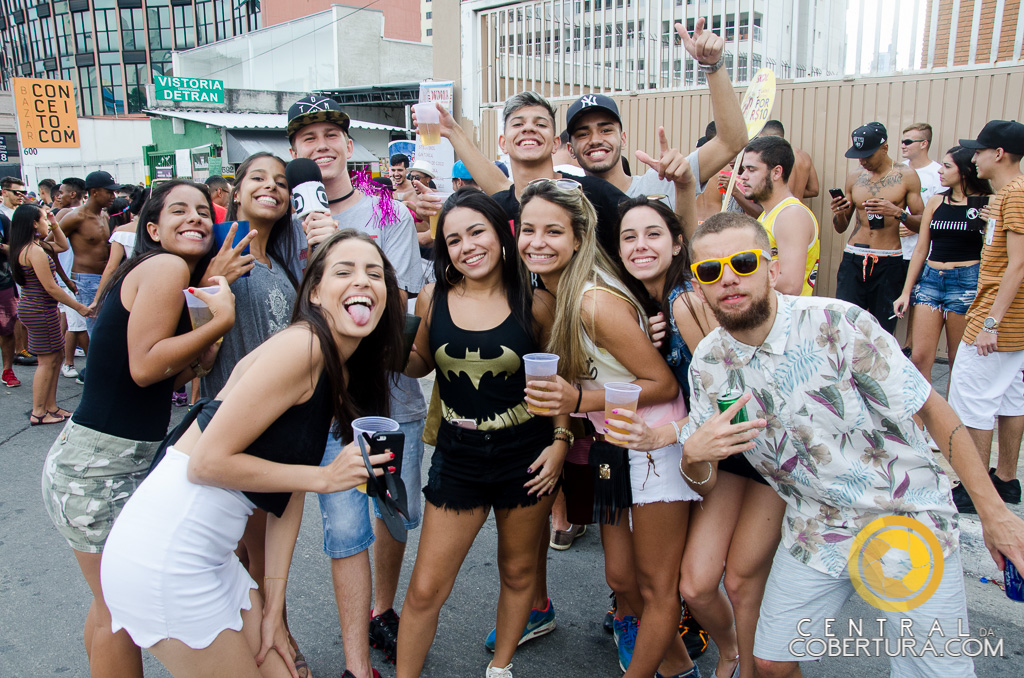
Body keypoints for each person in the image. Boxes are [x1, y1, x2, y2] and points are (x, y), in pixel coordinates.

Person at [678, 211, 1024, 678]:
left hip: (904, 513)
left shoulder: (836, 323)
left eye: (743, 262)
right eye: (710, 270)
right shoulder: (709, 362)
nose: (728, 279)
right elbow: (703, 477)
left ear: (773, 268)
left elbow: (933, 409)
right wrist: (694, 455)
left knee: (933, 672)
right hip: (816, 522)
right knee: (771, 661)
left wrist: (994, 514)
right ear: (698, 287)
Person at [100, 229, 403, 678]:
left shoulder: (332, 364)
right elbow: (207, 463)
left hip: (213, 560)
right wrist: (323, 478)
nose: (362, 281)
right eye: (345, 270)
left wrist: (273, 606)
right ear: (315, 292)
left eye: (374, 273)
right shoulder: (303, 347)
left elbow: (288, 492)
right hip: (168, 557)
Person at [41, 179, 233, 677]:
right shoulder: (165, 266)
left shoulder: (164, 274)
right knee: (120, 613)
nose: (194, 217)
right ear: (152, 228)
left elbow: (155, 375)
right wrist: (220, 322)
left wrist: (201, 350)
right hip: (97, 467)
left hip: (102, 460)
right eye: (178, 211)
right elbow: (146, 367)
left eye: (202, 212)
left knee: (108, 604)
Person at [518, 179, 699, 678]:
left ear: (578, 238)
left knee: (656, 586)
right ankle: (683, 671)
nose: (538, 241)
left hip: (651, 445)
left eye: (553, 231)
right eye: (528, 229)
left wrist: (578, 399)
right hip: (609, 447)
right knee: (621, 577)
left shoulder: (593, 302)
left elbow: (661, 384)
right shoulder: (552, 295)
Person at [397, 188, 566, 678]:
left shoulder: (536, 303)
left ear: (501, 233)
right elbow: (419, 363)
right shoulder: (435, 297)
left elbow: (563, 378)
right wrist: (385, 343)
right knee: (427, 587)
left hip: (526, 455)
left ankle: (500, 668)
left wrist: (560, 443)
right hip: (459, 454)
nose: (467, 246)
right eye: (453, 239)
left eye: (476, 232)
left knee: (518, 572)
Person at [612, 194, 782, 678]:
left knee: (740, 580)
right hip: (722, 452)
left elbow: (733, 398)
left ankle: (746, 663)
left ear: (677, 243)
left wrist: (662, 435)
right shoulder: (665, 302)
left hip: (754, 450)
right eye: (629, 237)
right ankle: (731, 652)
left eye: (653, 234)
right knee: (697, 584)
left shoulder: (686, 299)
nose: (640, 246)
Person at [288, 93, 426, 675]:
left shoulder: (388, 213)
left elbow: (396, 303)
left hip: (391, 392)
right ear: (294, 151)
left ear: (349, 145)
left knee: (394, 512)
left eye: (330, 136)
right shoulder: (279, 220)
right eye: (307, 138)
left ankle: (382, 608)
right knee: (345, 527)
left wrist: (339, 255)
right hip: (321, 400)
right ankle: (355, 663)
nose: (320, 146)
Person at [566, 17, 747, 226]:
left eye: (605, 130)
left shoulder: (662, 182)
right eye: (583, 133)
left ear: (623, 139)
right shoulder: (569, 206)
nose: (595, 139)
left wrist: (713, 65)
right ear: (570, 149)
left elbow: (732, 142)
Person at [947, 120, 1024, 514]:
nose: (972, 158)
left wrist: (990, 322)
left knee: (972, 401)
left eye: (978, 151)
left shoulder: (1016, 195)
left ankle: (975, 489)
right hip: (1011, 320)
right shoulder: (1005, 197)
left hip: (998, 318)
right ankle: (1006, 482)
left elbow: (1017, 266)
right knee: (1010, 400)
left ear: (999, 154)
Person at [893, 146, 990, 391]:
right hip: (931, 279)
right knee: (919, 358)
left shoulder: (987, 204)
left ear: (966, 171)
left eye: (948, 166)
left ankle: (951, 422)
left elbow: (993, 250)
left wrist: (991, 223)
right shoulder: (937, 201)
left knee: (959, 362)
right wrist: (906, 291)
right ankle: (918, 426)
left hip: (966, 282)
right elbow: (921, 248)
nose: (941, 171)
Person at [830, 122, 925, 334]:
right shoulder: (855, 177)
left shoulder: (906, 176)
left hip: (888, 260)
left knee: (883, 327)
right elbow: (840, 227)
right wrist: (839, 213)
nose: (862, 161)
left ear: (884, 148)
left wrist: (896, 212)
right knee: (844, 323)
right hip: (854, 257)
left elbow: (922, 223)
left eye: (868, 155)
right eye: (859, 155)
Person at [9, 204, 91, 423]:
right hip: (39, 310)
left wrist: (55, 223)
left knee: (55, 358)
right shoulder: (34, 251)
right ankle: (39, 412)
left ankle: (51, 406)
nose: (48, 223)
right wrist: (79, 307)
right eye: (44, 220)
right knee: (47, 362)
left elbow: (63, 245)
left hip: (40, 309)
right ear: (34, 224)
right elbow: (51, 287)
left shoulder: (35, 246)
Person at [736, 135, 819, 296]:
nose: (743, 176)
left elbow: (790, 285)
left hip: (787, 317)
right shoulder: (768, 215)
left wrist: (739, 273)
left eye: (751, 169)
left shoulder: (791, 215)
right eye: (743, 169)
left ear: (776, 172)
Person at [59, 170, 119, 336]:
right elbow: (49, 246)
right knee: (96, 330)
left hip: (107, 277)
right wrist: (64, 279)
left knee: (109, 327)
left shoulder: (104, 216)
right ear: (94, 192)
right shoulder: (76, 217)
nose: (113, 196)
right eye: (109, 192)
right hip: (86, 279)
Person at [759, 120, 819, 202]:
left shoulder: (773, 156)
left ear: (767, 136)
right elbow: (814, 190)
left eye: (760, 139)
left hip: (781, 210)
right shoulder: (804, 156)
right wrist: (798, 192)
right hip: (799, 210)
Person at [0, 208, 19, 387]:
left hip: (3, 281)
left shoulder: (2, 220)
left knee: (7, 328)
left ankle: (8, 370)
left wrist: (3, 248)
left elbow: (13, 249)